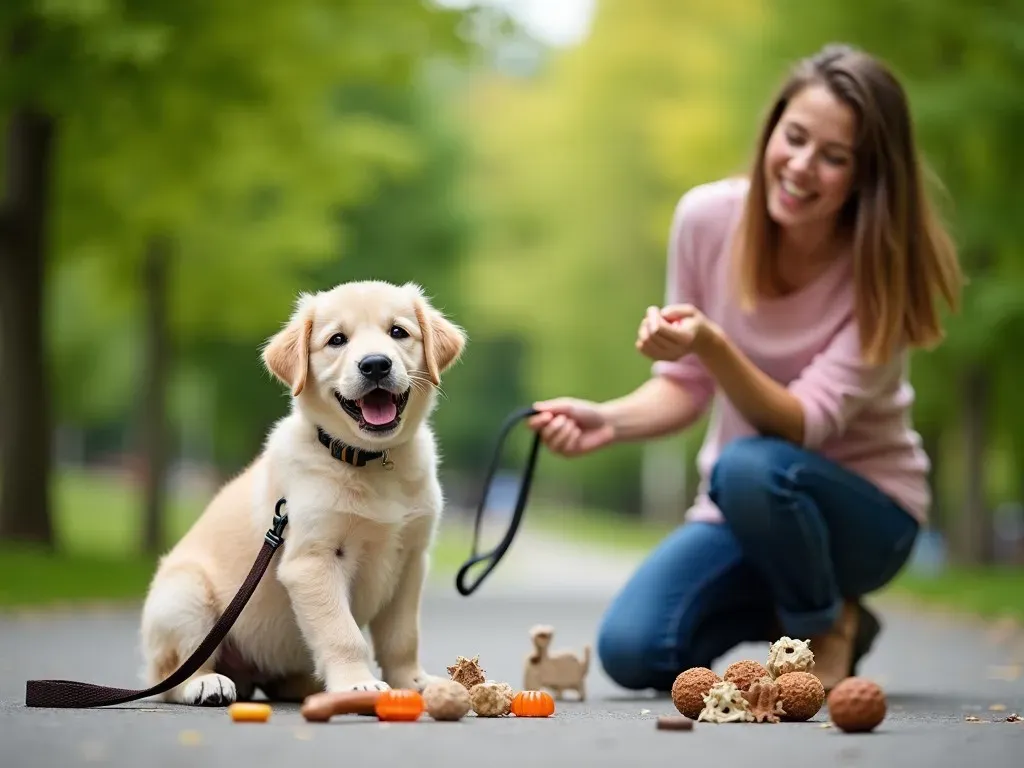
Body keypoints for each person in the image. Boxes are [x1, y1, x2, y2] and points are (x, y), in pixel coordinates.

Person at [527, 43, 964, 693]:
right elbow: (684, 386)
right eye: (794, 138)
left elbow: (800, 425)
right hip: (745, 508)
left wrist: (712, 343)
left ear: (868, 175)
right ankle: (817, 608)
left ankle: (825, 622)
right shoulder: (707, 220)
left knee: (752, 462)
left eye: (835, 157)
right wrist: (607, 421)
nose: (802, 166)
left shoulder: (884, 275)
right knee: (634, 650)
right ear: (772, 130)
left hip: (865, 517)